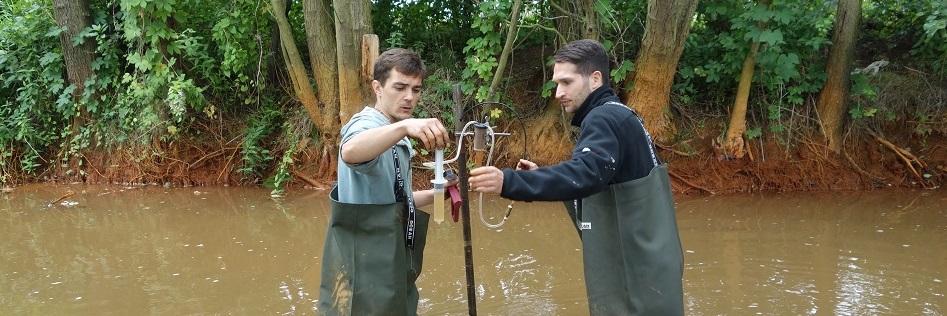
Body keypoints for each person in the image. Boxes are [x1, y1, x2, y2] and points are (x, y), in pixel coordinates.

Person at [468, 39, 684, 315]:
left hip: (634, 279)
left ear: (595, 79)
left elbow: (586, 174)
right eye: (557, 83)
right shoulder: (623, 115)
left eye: (566, 82)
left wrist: (510, 182)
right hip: (653, 270)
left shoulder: (602, 119)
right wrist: (539, 175)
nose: (558, 92)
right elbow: (602, 179)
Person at [318, 48, 454, 315]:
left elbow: (393, 203)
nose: (409, 97)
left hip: (390, 261)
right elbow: (351, 151)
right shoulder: (368, 124)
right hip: (365, 265)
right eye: (400, 87)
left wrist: (439, 194)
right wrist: (404, 127)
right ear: (377, 87)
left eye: (416, 90)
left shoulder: (394, 135)